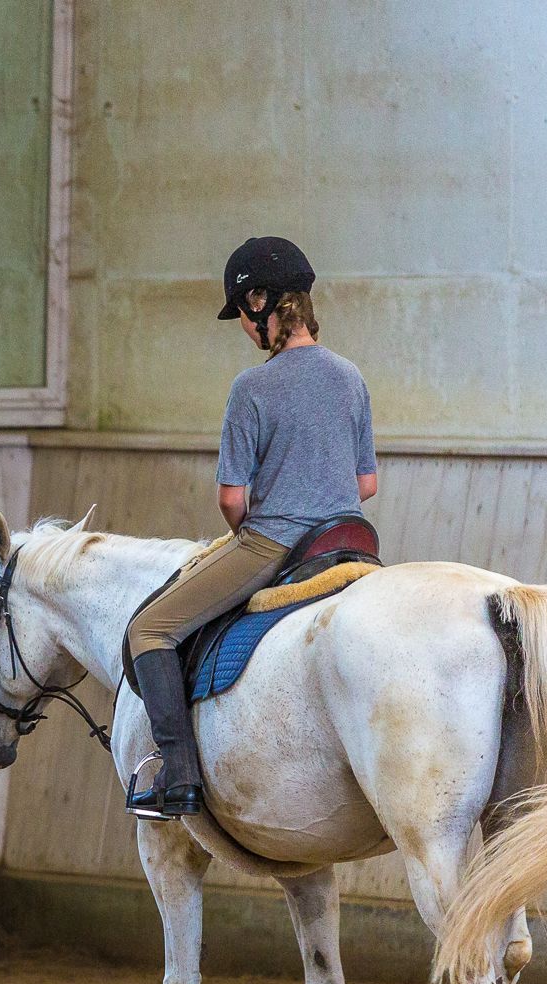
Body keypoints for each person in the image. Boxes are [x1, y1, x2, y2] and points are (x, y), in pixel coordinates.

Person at [123, 237, 378, 819]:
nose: (242, 327)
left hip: (275, 542)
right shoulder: (351, 376)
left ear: (260, 304)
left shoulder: (252, 388)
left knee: (149, 629)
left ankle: (178, 776)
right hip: (347, 539)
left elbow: (231, 501)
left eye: (240, 313)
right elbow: (366, 485)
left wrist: (265, 511)